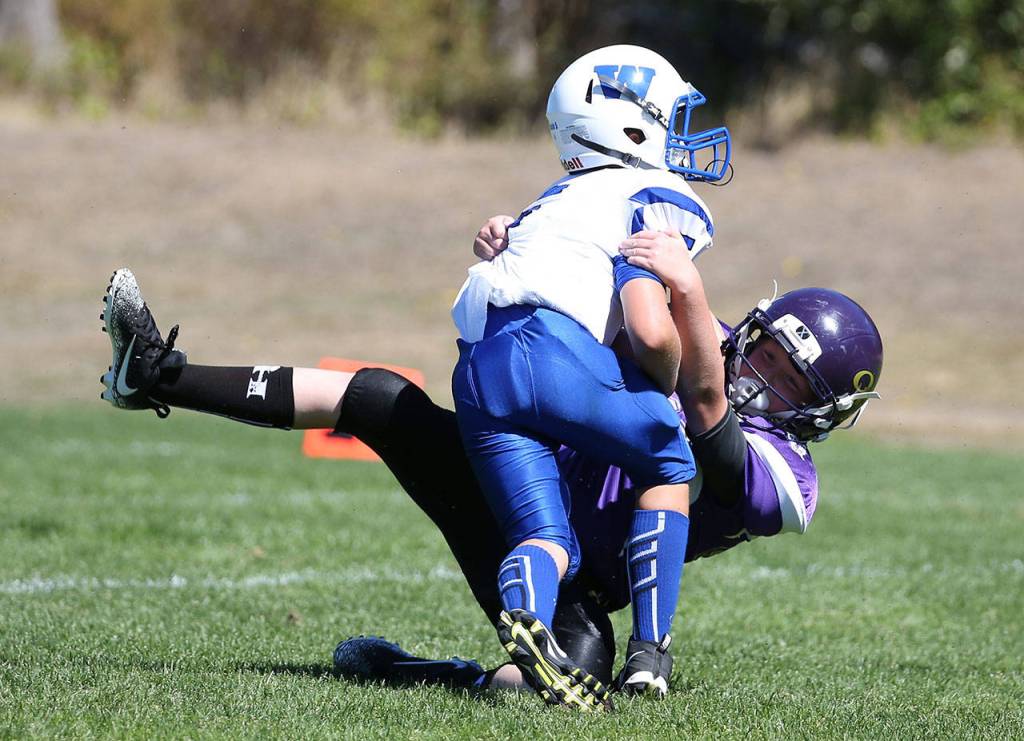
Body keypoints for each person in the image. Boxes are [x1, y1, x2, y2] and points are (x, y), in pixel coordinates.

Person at [332, 223, 884, 699]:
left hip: (579, 577)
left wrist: (688, 293)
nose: (760, 379)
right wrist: (517, 244)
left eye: (789, 382)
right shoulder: (694, 335)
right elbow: (579, 291)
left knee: (565, 677)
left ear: (818, 414)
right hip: (515, 483)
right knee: (383, 400)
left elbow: (713, 434)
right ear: (752, 331)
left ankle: (426, 673)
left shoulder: (789, 471)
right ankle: (246, 386)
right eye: (766, 354)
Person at [446, 43, 734, 710]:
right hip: (553, 352)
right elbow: (649, 327)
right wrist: (660, 379)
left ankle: (531, 623)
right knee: (668, 464)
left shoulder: (555, 198)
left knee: (544, 536)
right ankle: (650, 654)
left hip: (479, 367)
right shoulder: (654, 195)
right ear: (634, 123)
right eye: (671, 117)